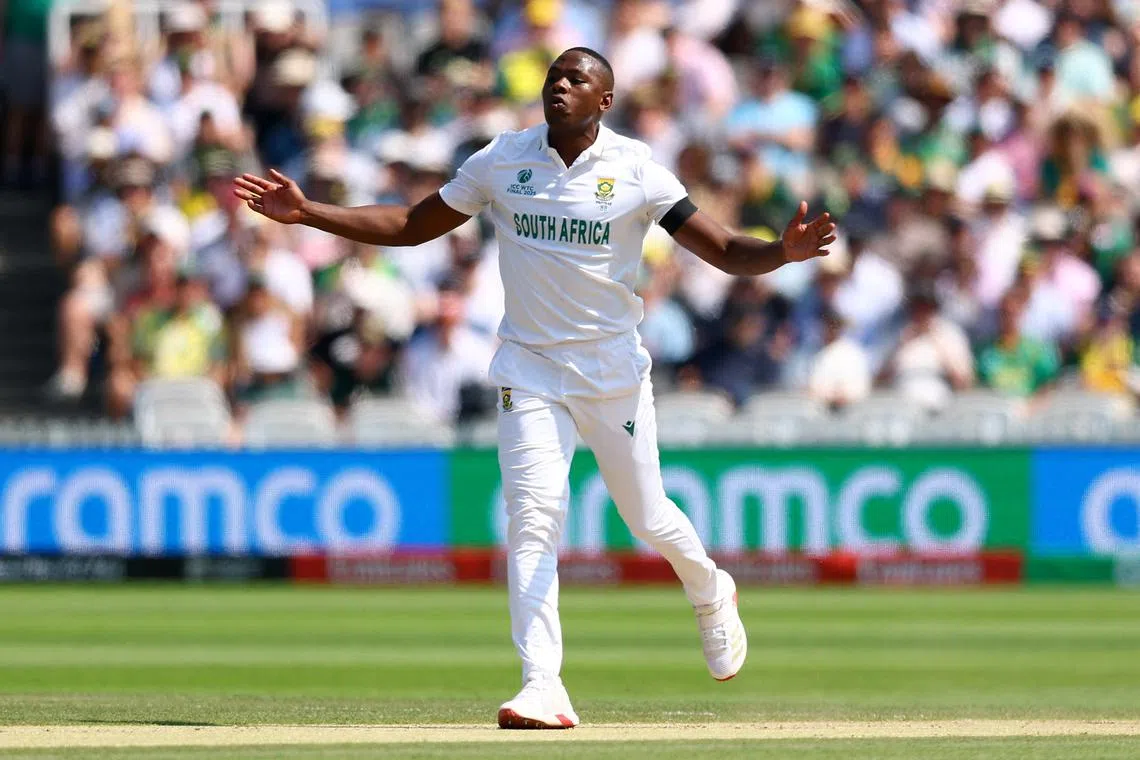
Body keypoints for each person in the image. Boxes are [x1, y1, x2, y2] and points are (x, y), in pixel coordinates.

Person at [234, 47, 834, 729]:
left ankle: (709, 588)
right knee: (532, 520)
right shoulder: (502, 160)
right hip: (529, 368)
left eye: (577, 79)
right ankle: (542, 683)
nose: (560, 85)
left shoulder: (636, 169)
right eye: (554, 76)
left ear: (604, 102)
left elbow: (723, 249)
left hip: (611, 373)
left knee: (648, 518)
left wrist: (780, 252)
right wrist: (310, 212)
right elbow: (410, 225)